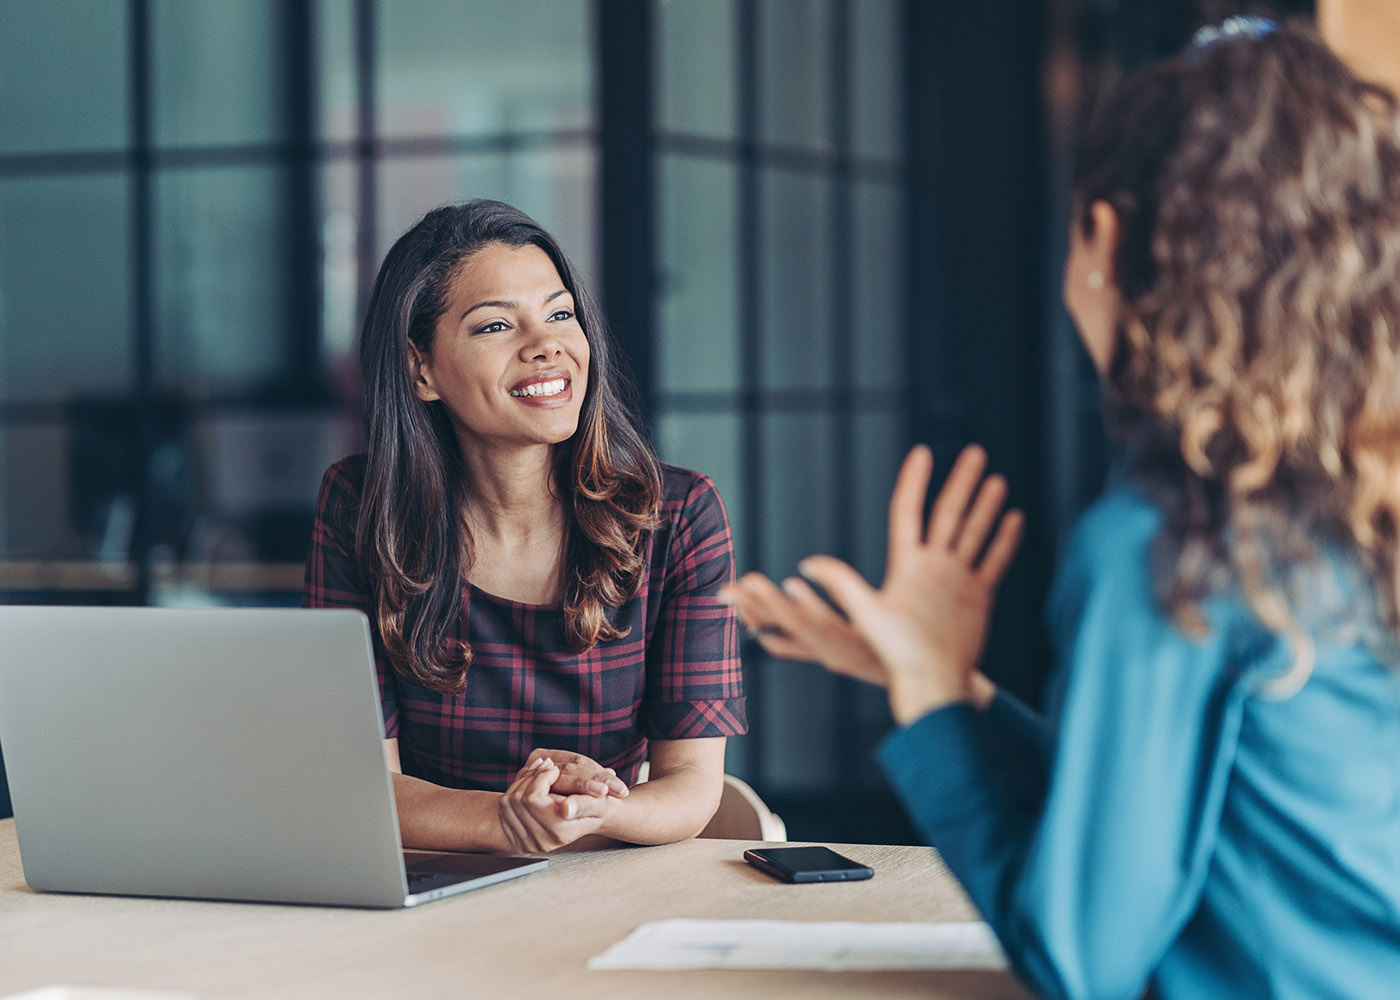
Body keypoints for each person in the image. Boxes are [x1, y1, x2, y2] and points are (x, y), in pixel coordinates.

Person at [723, 18, 1400, 1000]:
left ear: (1104, 236)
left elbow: (1081, 958)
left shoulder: (1173, 542)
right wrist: (945, 690)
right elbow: (1168, 809)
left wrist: (933, 698)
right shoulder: (1351, 505)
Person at [304, 200, 746, 855]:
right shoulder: (359, 509)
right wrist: (507, 819)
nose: (547, 346)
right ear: (421, 368)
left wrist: (590, 808)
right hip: (435, 884)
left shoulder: (678, 514)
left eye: (561, 314)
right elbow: (363, 782)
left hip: (606, 875)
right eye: (494, 327)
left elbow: (691, 783)